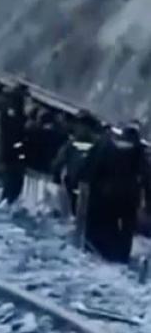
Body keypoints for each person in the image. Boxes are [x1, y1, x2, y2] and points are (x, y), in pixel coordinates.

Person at [78, 123, 151, 263]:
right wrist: (148, 204)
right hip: (128, 198)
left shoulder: (104, 146)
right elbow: (147, 178)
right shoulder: (138, 152)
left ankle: (94, 252)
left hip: (102, 196)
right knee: (125, 231)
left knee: (101, 227)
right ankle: (121, 257)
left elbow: (88, 171)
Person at [51, 111, 100, 215]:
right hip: (72, 187)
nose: (78, 128)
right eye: (77, 125)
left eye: (81, 125)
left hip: (90, 191)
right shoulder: (70, 145)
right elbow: (58, 163)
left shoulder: (98, 145)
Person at [0, 83, 28, 205]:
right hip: (13, 147)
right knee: (13, 176)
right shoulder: (13, 109)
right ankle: (8, 200)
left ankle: (7, 199)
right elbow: (15, 129)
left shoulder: (9, 107)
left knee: (11, 175)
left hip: (10, 147)